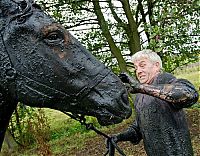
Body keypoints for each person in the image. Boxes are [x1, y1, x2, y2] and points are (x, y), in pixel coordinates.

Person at [112, 49, 199, 156]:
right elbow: (139, 128)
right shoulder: (140, 96)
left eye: (142, 65)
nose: (138, 71)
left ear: (156, 66)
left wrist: (140, 87)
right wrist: (119, 137)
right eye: (136, 68)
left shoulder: (167, 80)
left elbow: (188, 94)